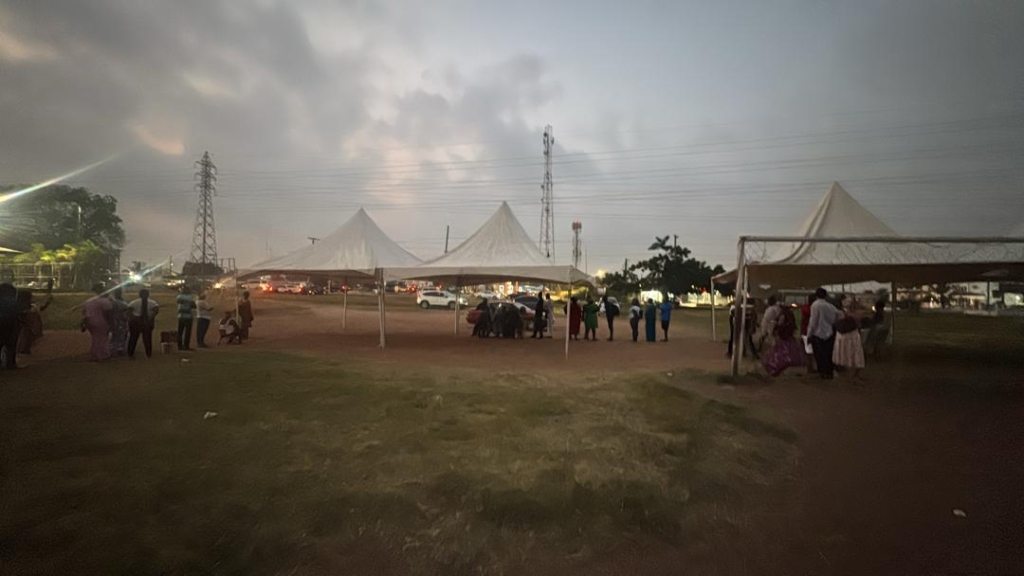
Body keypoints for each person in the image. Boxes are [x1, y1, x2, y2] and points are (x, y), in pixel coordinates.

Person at [807, 287, 843, 379]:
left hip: (818, 333)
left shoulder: (815, 305)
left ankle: (822, 372)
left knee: (819, 354)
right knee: (828, 353)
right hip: (829, 332)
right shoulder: (829, 306)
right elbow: (840, 314)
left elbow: (813, 321)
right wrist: (833, 322)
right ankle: (829, 371)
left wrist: (809, 334)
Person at [762, 303, 805, 376]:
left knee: (779, 350)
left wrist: (775, 329)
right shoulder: (791, 315)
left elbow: (780, 324)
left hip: (783, 335)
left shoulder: (783, 315)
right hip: (789, 335)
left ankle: (776, 366)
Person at [832, 296, 866, 379]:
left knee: (842, 353)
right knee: (855, 353)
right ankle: (854, 373)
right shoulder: (857, 314)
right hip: (851, 335)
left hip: (844, 335)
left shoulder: (841, 313)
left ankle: (842, 370)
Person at [83, 284, 114, 362]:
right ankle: (102, 354)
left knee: (95, 338)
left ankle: (94, 354)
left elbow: (84, 312)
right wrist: (111, 323)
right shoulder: (105, 301)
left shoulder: (89, 301)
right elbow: (108, 314)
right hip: (101, 321)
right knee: (102, 338)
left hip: (90, 321)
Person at [17, 288, 52, 356]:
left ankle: (25, 349)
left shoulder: (31, 305)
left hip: (31, 326)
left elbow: (41, 308)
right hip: (26, 326)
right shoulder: (23, 307)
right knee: (24, 337)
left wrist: (48, 302)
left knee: (30, 337)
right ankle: (22, 350)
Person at [0, 284, 28, 368]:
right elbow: (19, 310)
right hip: (11, 322)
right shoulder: (14, 302)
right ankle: (11, 363)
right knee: (11, 344)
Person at [127, 288, 159, 358]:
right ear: (148, 295)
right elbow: (156, 310)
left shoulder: (134, 302)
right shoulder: (152, 303)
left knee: (133, 338)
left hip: (135, 322)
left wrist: (134, 318)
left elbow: (129, 311)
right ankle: (148, 353)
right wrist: (149, 318)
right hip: (146, 322)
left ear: (139, 295)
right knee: (147, 339)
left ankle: (130, 353)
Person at [108, 288, 129, 357]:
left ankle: (112, 349)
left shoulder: (112, 302)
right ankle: (119, 349)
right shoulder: (122, 303)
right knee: (121, 335)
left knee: (114, 335)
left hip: (114, 320)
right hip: (120, 320)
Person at [799, 294, 816, 374]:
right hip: (810, 331)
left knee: (808, 350)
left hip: (804, 331)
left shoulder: (804, 307)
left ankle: (809, 367)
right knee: (810, 351)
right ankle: (810, 368)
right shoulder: (813, 309)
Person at [175, 285, 196, 351]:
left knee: (180, 332)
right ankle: (186, 346)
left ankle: (179, 346)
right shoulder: (190, 297)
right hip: (188, 316)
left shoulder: (179, 296)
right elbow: (194, 306)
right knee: (187, 332)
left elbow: (178, 301)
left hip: (180, 316)